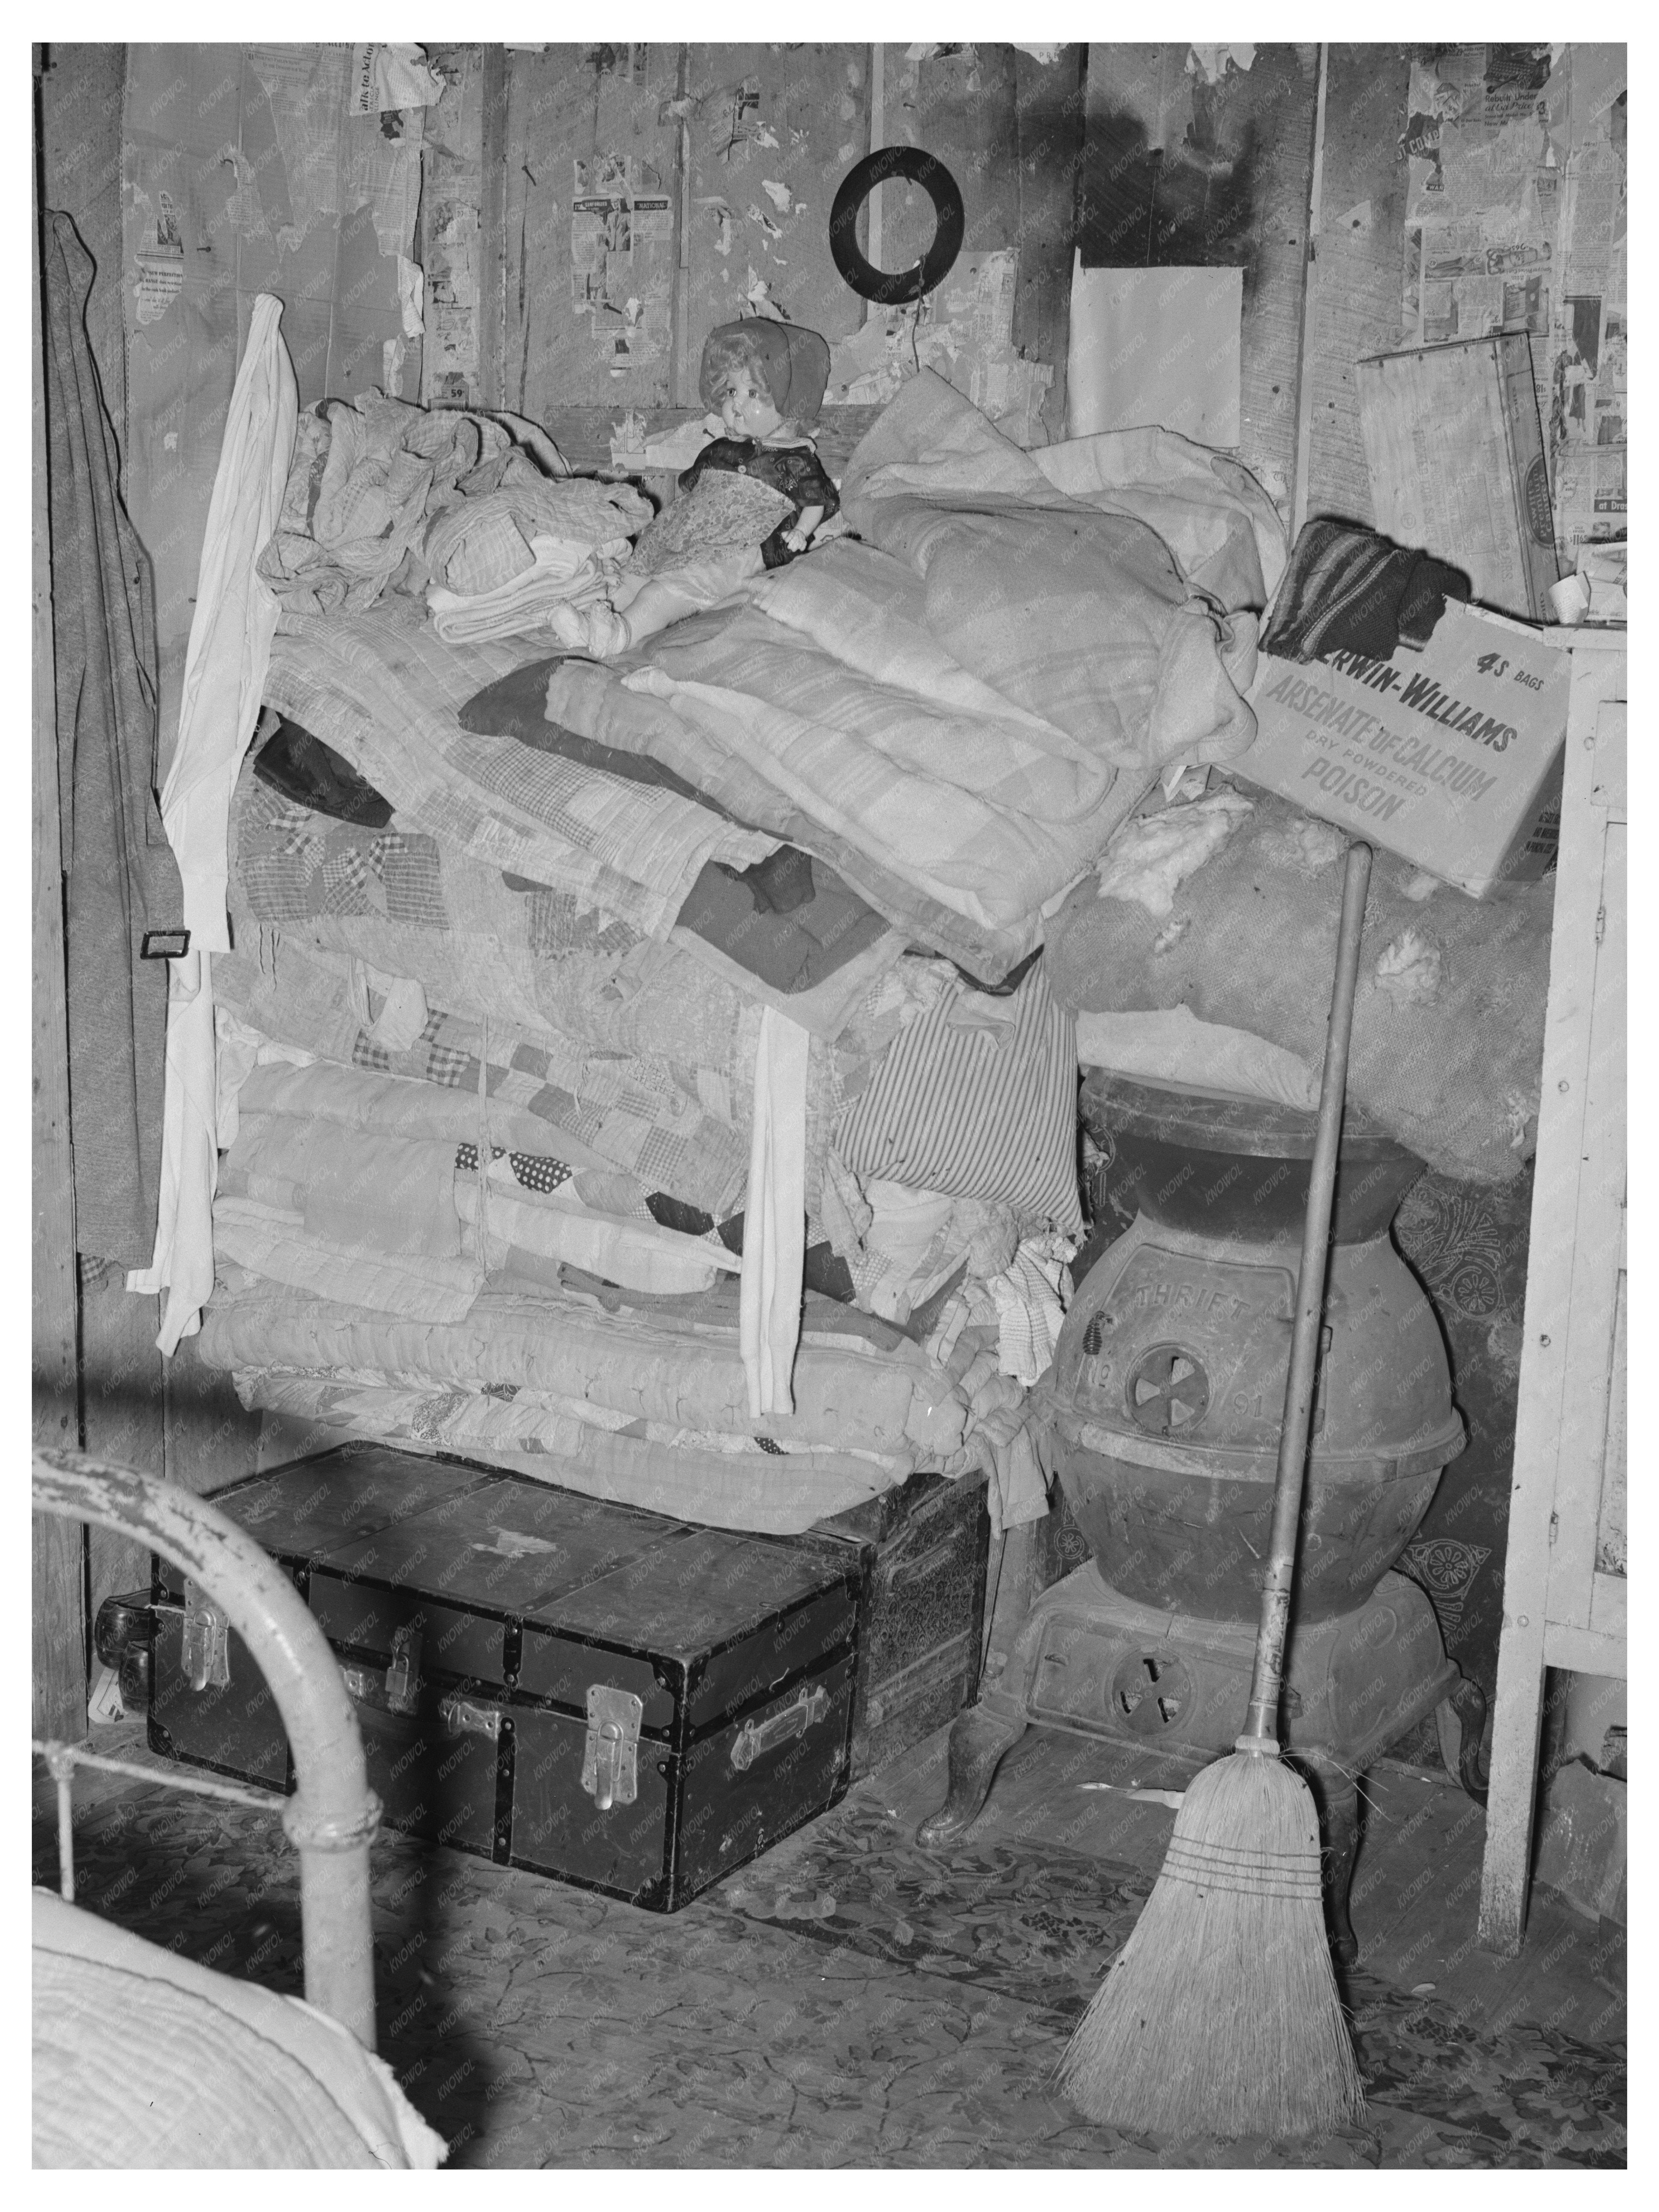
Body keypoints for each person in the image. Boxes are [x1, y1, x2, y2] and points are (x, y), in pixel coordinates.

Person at [551, 318, 839, 657]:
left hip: (735, 547)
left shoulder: (795, 461)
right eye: (732, 392)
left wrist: (802, 533)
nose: (737, 404)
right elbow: (694, 487)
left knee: (669, 590)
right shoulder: (725, 449)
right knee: (634, 575)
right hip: (686, 534)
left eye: (753, 393)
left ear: (791, 406)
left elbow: (815, 500)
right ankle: (591, 625)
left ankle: (622, 635)